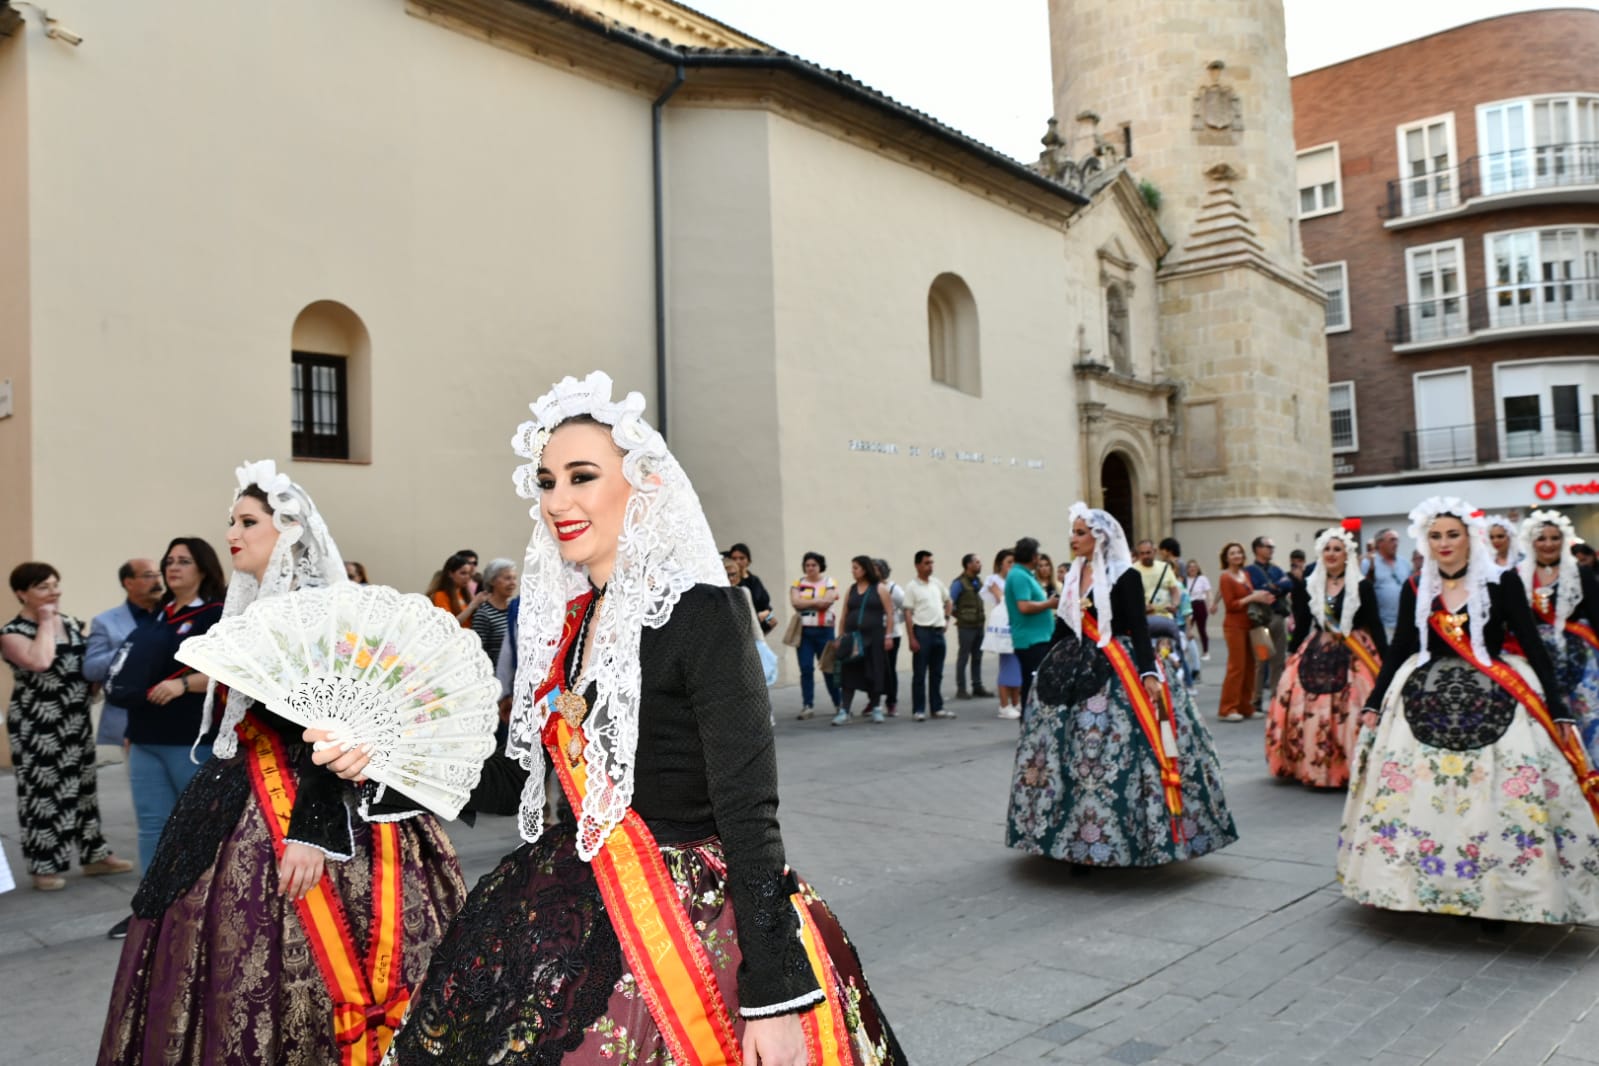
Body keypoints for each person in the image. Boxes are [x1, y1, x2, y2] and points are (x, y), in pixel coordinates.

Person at [328, 370, 904, 1065]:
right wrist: (387, 756)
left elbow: (749, 810)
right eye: (546, 481)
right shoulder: (570, 629)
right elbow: (519, 784)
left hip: (690, 920)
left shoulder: (704, 614)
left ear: (642, 487)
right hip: (569, 899)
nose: (558, 501)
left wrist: (771, 995)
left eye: (581, 477)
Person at [99, 460, 467, 1065]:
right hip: (241, 787)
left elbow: (339, 721)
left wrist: (314, 834)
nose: (231, 534)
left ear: (289, 530)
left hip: (319, 802)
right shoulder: (252, 611)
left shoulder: (321, 611)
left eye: (247, 521)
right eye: (230, 522)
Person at [1338, 498, 1599, 925]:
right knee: (1421, 794)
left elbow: (1532, 645)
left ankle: (1495, 890)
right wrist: (1374, 699)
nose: (1443, 543)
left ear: (1469, 537)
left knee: (1497, 794)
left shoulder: (1501, 583)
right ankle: (1423, 882)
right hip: (1423, 696)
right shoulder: (1416, 586)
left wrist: (1556, 705)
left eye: (1452, 534)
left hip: (1496, 693)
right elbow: (1402, 644)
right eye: (1435, 535)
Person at [1007, 504, 1238, 867]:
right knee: (1067, 754)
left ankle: (1126, 837)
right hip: (1074, 669)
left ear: (1099, 537)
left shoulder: (1124, 576)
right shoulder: (1072, 576)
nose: (1074, 538)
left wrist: (1149, 672)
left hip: (1118, 668)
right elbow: (1063, 628)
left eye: (1081, 533)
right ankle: (1072, 840)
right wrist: (1044, 670)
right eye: (1074, 532)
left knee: (1108, 754)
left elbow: (1140, 628)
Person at [101, 538, 227, 939]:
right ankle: (150, 908)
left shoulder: (216, 614)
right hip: (144, 736)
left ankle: (199, 910)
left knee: (196, 826)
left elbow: (232, 670)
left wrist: (185, 684)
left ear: (203, 568)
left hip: (189, 738)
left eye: (184, 561)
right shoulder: (158, 615)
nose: (173, 568)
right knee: (151, 826)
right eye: (169, 561)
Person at [2, 563, 133, 892]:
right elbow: (41, 661)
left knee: (84, 790)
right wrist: (46, 620)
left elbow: (86, 668)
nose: (54, 592)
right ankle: (44, 866)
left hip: (74, 720)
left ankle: (94, 855)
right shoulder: (12, 632)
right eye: (44, 587)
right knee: (43, 796)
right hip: (38, 726)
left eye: (55, 584)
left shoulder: (73, 624)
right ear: (22, 593)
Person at [1265, 529, 1388, 788]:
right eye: (1327, 549)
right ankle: (1310, 763)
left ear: (1347, 554)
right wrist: (1293, 653)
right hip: (1317, 646)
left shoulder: (1362, 586)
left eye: (1337, 549)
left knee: (1353, 703)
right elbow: (1302, 622)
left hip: (1354, 649)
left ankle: (1351, 765)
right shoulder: (1312, 585)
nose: (1331, 554)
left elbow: (1375, 625)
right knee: (1303, 703)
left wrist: (1387, 663)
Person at [1516, 510, 1599, 768]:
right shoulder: (1516, 576)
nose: (1549, 544)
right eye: (1542, 538)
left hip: (1580, 659)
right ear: (1531, 541)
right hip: (1536, 660)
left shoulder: (1580, 573)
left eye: (1555, 538)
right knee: (1546, 717)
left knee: (1588, 716)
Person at [82, 558, 163, 751]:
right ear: (128, 583)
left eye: (157, 575)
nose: (157, 581)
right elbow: (91, 669)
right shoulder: (106, 621)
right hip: (124, 724)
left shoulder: (172, 616)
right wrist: (128, 649)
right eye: (148, 576)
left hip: (170, 719)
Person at [835, 555, 896, 725]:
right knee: (849, 673)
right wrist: (841, 636)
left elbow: (890, 613)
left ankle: (876, 707)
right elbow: (844, 615)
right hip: (853, 638)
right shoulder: (851, 589)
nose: (852, 571)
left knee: (875, 671)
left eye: (856, 567)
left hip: (875, 638)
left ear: (865, 569)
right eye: (852, 567)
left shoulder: (880, 588)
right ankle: (844, 710)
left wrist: (888, 635)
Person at [1005, 537, 1058, 719]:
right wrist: (1049, 604)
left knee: (1035, 683)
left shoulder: (1024, 575)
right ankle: (1028, 722)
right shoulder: (1019, 576)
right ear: (1033, 556)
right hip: (1031, 640)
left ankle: (1032, 721)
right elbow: (1024, 606)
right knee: (1032, 684)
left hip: (1038, 637)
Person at [1218, 542, 1271, 722]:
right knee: (1237, 667)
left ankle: (1245, 706)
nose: (1237, 556)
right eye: (1232, 553)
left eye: (1239, 552)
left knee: (1251, 666)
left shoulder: (1245, 574)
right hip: (1234, 626)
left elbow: (1248, 597)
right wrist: (1253, 597)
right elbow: (1231, 605)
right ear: (1226, 558)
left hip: (1250, 624)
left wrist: (1261, 596)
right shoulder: (1226, 578)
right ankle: (1228, 708)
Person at [902, 550, 954, 722]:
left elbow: (948, 601)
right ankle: (918, 709)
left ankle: (937, 707)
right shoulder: (912, 587)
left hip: (938, 632)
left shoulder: (936, 583)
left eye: (931, 563)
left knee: (937, 673)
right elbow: (908, 613)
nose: (930, 566)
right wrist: (912, 637)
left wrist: (946, 619)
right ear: (917, 565)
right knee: (919, 673)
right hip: (922, 632)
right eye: (926, 563)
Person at [790, 551, 842, 720]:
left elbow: (827, 601)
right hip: (804, 632)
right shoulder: (798, 583)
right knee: (806, 668)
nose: (810, 568)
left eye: (814, 565)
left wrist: (806, 603)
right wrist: (816, 602)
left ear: (820, 566)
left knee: (829, 668)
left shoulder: (829, 582)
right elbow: (795, 602)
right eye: (807, 565)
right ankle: (808, 705)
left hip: (824, 631)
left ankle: (839, 703)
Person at [1247, 536, 1294, 714]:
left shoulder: (1276, 569)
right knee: (1261, 661)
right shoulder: (1249, 570)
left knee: (1278, 661)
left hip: (1278, 617)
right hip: (1259, 620)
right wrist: (1275, 587)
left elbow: (1288, 584)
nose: (1271, 550)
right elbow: (1254, 589)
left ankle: (1275, 697)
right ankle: (1256, 699)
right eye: (1268, 547)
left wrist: (1269, 587)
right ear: (1257, 549)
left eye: (1272, 547)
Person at [985, 548, 1022, 719]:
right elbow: (1002, 599)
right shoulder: (994, 581)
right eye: (1009, 563)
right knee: (1007, 666)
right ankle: (1004, 704)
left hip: (1016, 626)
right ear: (1001, 564)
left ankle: (1015, 702)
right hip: (1004, 630)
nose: (1012, 566)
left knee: (1016, 666)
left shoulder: (1014, 580)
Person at [950, 553, 991, 699]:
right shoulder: (959, 583)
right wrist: (959, 616)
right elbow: (950, 603)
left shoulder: (978, 582)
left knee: (977, 656)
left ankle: (977, 686)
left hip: (979, 624)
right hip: (966, 627)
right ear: (968, 565)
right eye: (977, 562)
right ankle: (961, 688)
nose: (980, 565)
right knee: (964, 657)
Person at [1361, 527, 1413, 641]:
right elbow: (1362, 591)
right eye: (1392, 540)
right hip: (1383, 624)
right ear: (1380, 543)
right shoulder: (1368, 563)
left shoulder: (1404, 563)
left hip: (1403, 623)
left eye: (1397, 540)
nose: (1396, 543)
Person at [472, 557, 518, 667]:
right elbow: (478, 652)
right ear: (492, 581)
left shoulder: (516, 611)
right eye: (507, 578)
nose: (513, 583)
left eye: (514, 578)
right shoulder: (483, 614)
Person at [876, 558, 905, 717]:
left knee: (889, 668)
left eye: (876, 569)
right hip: (874, 633)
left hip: (891, 634)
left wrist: (894, 621)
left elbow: (906, 608)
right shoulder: (871, 588)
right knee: (874, 668)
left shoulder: (894, 589)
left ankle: (891, 701)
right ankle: (873, 701)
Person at [727, 542, 776, 634]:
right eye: (734, 558)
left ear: (748, 560)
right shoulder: (730, 581)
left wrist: (766, 612)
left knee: (772, 620)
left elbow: (765, 602)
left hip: (756, 623)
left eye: (742, 558)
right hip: (738, 625)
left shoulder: (754, 580)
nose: (738, 561)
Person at [428, 551, 486, 627]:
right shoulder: (440, 595)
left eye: (469, 573)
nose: (467, 577)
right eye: (463, 573)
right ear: (450, 574)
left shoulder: (466, 594)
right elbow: (449, 625)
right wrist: (472, 606)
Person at [1184, 558, 1212, 659]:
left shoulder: (1202, 579)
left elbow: (1208, 592)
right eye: (1190, 567)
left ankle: (1205, 652)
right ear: (1187, 569)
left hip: (1199, 604)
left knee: (1202, 629)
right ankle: (1185, 651)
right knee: (1187, 628)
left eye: (1194, 567)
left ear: (1198, 568)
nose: (1192, 569)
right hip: (1188, 605)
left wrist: (1210, 604)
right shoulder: (1185, 580)